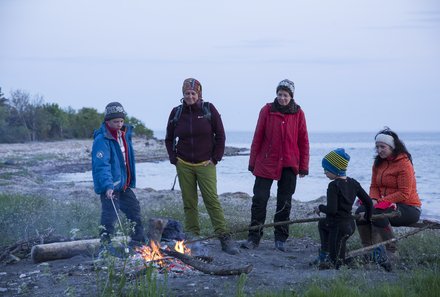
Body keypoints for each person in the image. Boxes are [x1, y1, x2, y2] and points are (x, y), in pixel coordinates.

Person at [165, 78, 239, 255]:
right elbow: (169, 139)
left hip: (206, 163)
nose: (190, 96)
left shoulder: (209, 110)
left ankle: (224, 238)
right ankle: (192, 238)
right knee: (189, 203)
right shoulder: (177, 112)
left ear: (199, 94)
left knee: (212, 201)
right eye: (186, 93)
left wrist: (215, 159)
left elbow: (220, 136)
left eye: (193, 93)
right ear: (182, 94)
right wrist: (173, 158)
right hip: (183, 164)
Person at [241, 79, 310, 252]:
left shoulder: (299, 113)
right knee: (259, 200)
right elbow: (257, 137)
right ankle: (254, 237)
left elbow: (303, 141)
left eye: (285, 95)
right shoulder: (266, 110)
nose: (282, 98)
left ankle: (281, 238)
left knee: (284, 202)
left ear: (291, 96)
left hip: (289, 163)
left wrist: (303, 166)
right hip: (266, 162)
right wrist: (252, 162)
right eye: (279, 94)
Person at [355, 127, 422, 265]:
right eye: (377, 147)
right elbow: (374, 186)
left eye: (382, 147)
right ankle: (369, 250)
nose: (379, 150)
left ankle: (392, 253)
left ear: (392, 147)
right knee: (360, 212)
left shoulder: (404, 163)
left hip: (409, 208)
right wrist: (372, 200)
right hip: (384, 204)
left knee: (378, 213)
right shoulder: (378, 163)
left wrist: (379, 202)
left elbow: (404, 193)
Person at [92, 102, 145, 249]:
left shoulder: (125, 135)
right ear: (107, 121)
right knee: (109, 217)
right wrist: (108, 186)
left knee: (134, 211)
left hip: (124, 185)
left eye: (121, 121)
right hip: (110, 187)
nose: (119, 124)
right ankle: (105, 246)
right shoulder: (101, 140)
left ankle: (138, 243)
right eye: (115, 121)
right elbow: (102, 165)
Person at [313, 148, 373, 269]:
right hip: (350, 226)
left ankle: (373, 257)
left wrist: (319, 207)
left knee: (337, 263)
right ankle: (324, 254)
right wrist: (367, 216)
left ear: (335, 169)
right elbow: (369, 202)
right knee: (322, 223)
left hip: (338, 227)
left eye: (326, 169)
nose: (324, 172)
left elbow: (332, 210)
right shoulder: (353, 183)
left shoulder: (333, 185)